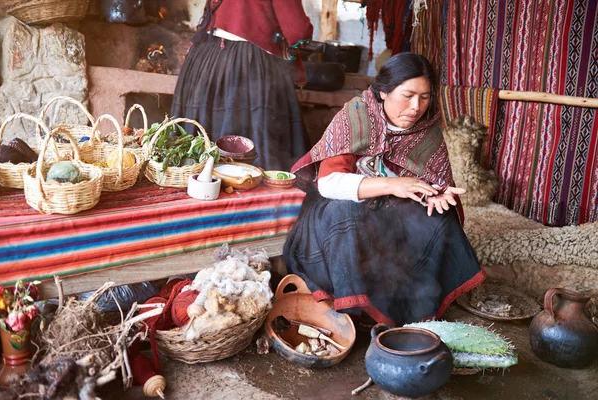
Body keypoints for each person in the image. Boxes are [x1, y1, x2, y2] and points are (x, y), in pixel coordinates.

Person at [283, 53, 486, 327]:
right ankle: (353, 309)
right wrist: (394, 185)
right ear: (383, 92)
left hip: (390, 213)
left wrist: (433, 192)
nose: (416, 107)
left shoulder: (427, 127)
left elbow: (427, 177)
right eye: (407, 95)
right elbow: (329, 183)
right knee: (347, 213)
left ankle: (412, 307)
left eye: (425, 97)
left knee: (439, 215)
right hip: (340, 212)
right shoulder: (355, 117)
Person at [171, 0, 313, 171]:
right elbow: (297, 31)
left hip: (206, 58)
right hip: (248, 61)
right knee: (252, 147)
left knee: (201, 140)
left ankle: (201, 181)